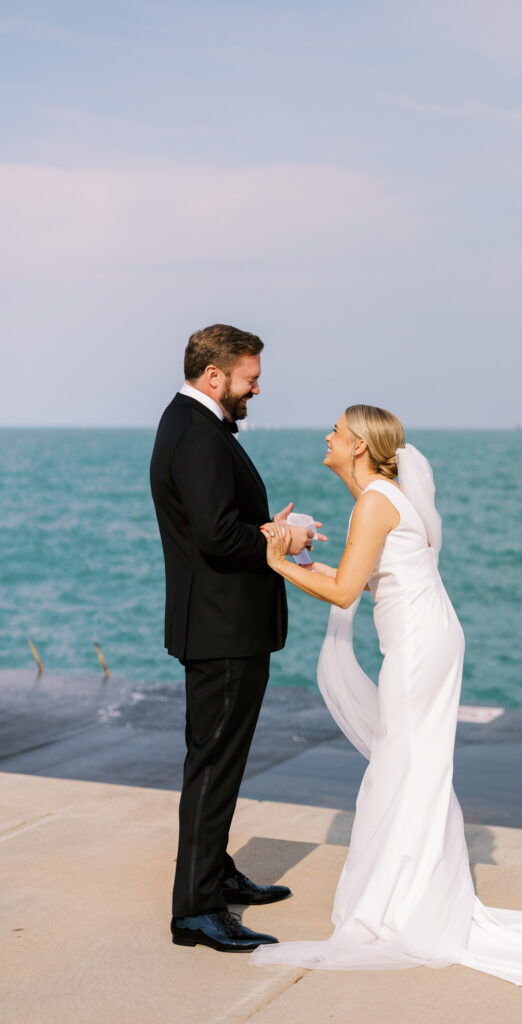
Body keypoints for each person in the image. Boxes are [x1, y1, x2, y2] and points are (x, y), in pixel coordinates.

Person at [250, 404, 522, 1000]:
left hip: (420, 649)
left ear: (357, 447)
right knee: (411, 764)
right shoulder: (382, 498)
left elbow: (345, 589)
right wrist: (300, 556)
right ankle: (411, 890)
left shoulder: (375, 502)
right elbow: (363, 578)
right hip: (428, 639)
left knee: (403, 764)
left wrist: (275, 563)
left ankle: (408, 904)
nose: (327, 435)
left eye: (337, 430)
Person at [149, 324, 325, 953]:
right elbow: (219, 538)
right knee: (213, 764)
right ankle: (195, 911)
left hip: (223, 626)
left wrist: (261, 527)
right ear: (215, 376)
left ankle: (214, 874)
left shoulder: (191, 426)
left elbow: (218, 525)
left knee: (219, 761)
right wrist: (283, 540)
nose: (257, 387)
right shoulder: (197, 434)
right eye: (249, 377)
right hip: (221, 631)